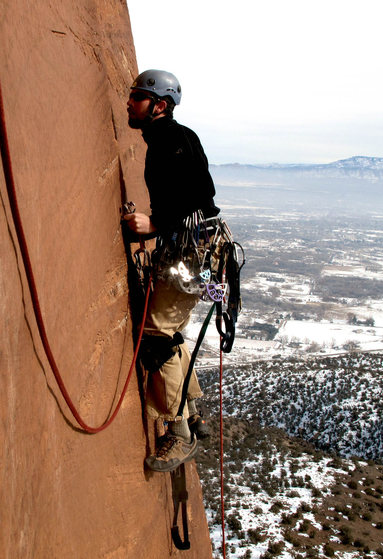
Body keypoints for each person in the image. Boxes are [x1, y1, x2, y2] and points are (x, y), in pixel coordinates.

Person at [123, 69, 220, 473]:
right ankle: (193, 407)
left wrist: (156, 223)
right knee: (169, 326)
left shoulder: (167, 141)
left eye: (138, 97)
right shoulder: (180, 136)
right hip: (199, 250)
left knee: (156, 336)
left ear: (159, 106)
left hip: (191, 251)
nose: (130, 103)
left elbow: (194, 198)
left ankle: (179, 434)